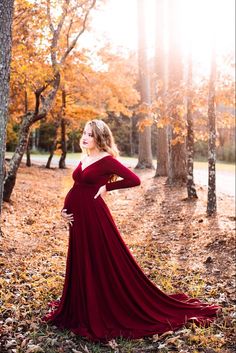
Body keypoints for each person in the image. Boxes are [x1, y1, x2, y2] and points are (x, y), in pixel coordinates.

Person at [42, 119, 220, 342]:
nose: (85, 137)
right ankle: (82, 303)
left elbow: (134, 179)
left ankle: (102, 306)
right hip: (78, 219)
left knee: (100, 259)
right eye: (84, 133)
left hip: (94, 218)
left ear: (100, 138)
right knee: (82, 259)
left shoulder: (107, 160)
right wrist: (63, 210)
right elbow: (77, 187)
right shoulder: (85, 156)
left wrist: (107, 186)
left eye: (90, 134)